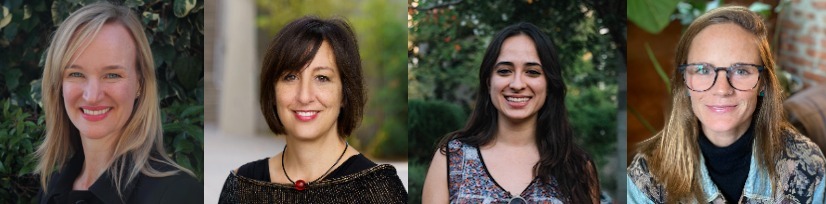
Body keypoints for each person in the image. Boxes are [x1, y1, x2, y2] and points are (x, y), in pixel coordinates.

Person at [627, 6, 826, 203]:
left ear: (763, 83)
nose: (722, 89)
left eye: (741, 70)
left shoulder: (807, 165)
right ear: (685, 81)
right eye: (703, 70)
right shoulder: (646, 177)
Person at [217, 16, 407, 203]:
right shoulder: (241, 187)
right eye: (290, 77)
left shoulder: (380, 192)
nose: (304, 96)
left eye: (322, 78)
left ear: (344, 93)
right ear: (273, 91)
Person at [36, 2, 201, 203]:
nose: (92, 95)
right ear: (58, 84)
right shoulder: (51, 189)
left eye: (112, 74)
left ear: (139, 84)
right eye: (76, 73)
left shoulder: (178, 194)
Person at [422, 22, 601, 203]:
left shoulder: (577, 167)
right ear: (488, 81)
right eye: (505, 71)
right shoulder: (452, 157)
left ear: (549, 83)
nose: (517, 84)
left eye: (532, 72)